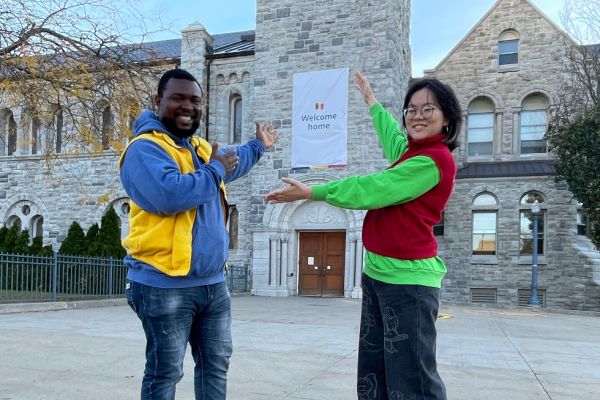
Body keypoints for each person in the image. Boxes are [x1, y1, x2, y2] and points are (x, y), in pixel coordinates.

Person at [264, 70, 461, 400]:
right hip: (379, 274)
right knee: (376, 372)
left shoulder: (433, 161)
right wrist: (372, 102)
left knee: (412, 380)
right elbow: (394, 140)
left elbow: (375, 188)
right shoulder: (411, 155)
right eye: (411, 109)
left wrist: (314, 192)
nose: (417, 116)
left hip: (408, 282)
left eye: (428, 109)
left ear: (447, 119)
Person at [119, 68, 277, 400]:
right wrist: (216, 168)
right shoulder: (144, 150)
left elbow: (232, 159)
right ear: (158, 101)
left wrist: (258, 146)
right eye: (177, 98)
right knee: (165, 374)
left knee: (215, 366)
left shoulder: (199, 148)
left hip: (212, 285)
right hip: (163, 284)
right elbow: (171, 195)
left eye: (195, 100)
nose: (187, 106)